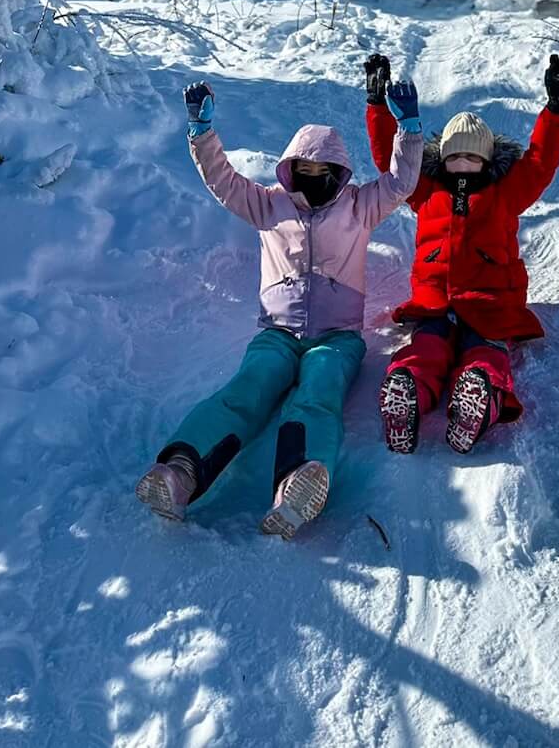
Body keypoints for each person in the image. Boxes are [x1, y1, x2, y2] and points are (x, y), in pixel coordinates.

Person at [135, 75, 424, 537]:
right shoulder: (269, 206)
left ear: (339, 174)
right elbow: (223, 182)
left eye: (322, 175)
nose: (312, 183)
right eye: (303, 174)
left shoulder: (358, 207)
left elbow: (400, 183)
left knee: (319, 394)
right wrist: (202, 132)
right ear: (289, 172)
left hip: (338, 338)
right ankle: (180, 472)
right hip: (276, 332)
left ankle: (297, 484)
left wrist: (407, 130)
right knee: (246, 391)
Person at [363, 52, 559, 454]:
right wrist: (377, 108)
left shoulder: (504, 193)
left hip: (490, 302)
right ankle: (407, 391)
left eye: (472, 157)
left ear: (486, 160)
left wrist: (554, 112)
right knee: (426, 347)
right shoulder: (426, 189)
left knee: (485, 350)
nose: (463, 164)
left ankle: (480, 396)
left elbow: (539, 164)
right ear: (443, 159)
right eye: (454, 156)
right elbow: (389, 162)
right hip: (434, 301)